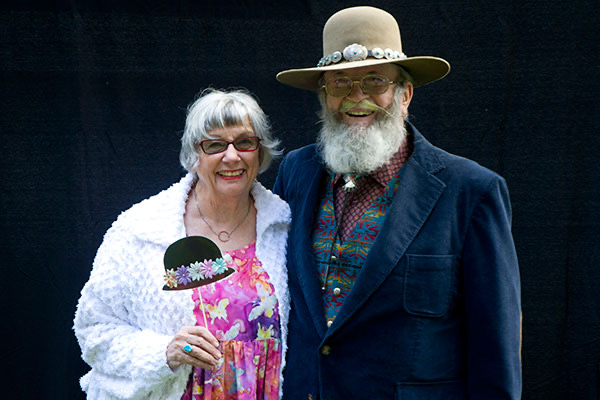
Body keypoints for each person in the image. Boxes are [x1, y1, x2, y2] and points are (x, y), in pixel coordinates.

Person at [273, 6, 521, 399]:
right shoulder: (297, 172)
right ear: (324, 96)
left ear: (404, 94)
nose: (357, 98)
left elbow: (496, 346)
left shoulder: (471, 191)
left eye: (375, 81)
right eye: (340, 84)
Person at [74, 89, 291, 399]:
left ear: (260, 150)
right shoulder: (142, 231)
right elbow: (93, 331)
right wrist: (166, 351)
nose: (232, 156)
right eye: (214, 145)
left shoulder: (283, 226)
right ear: (194, 155)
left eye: (244, 142)